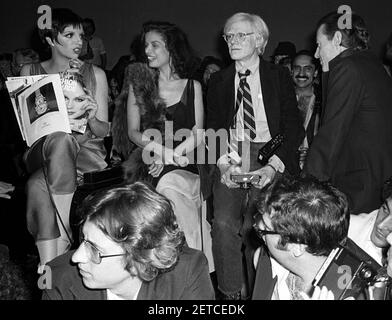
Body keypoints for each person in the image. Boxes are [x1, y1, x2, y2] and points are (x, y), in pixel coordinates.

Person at [205, 12, 303, 299]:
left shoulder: (278, 76)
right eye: (229, 36)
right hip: (233, 151)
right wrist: (224, 164)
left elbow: (293, 128)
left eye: (240, 35)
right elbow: (214, 128)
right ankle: (231, 294)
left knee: (259, 226)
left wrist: (272, 167)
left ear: (259, 40)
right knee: (223, 224)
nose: (232, 41)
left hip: (271, 150)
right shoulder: (220, 81)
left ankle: (264, 291)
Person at [20, 8, 109, 269]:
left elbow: (104, 131)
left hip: (85, 155)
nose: (79, 41)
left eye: (80, 35)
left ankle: (50, 265)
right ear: (50, 39)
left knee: (38, 185)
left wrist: (92, 116)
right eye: (69, 35)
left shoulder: (96, 74)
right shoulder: (30, 70)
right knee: (59, 139)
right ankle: (66, 231)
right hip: (42, 151)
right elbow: (26, 131)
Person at [125, 21, 213, 271]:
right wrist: (162, 152)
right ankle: (182, 265)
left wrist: (172, 156)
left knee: (169, 184)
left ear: (172, 48)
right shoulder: (140, 86)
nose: (148, 51)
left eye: (155, 45)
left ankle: (192, 265)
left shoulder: (192, 86)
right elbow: (133, 133)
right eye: (146, 46)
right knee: (162, 187)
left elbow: (198, 133)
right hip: (149, 156)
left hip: (187, 159)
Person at [42, 182, 215, 300]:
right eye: (84, 239)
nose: (76, 257)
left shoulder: (187, 272)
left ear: (140, 259)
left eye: (94, 250)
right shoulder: (58, 279)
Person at [303, 12, 392, 214]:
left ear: (336, 39)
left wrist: (304, 187)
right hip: (377, 180)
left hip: (357, 183)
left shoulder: (347, 67)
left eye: (319, 45)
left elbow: (332, 133)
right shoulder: (370, 63)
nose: (316, 54)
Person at [291, 50, 321, 170]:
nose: (301, 73)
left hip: (316, 164)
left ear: (315, 72)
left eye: (307, 68)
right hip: (286, 164)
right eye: (297, 68)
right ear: (291, 71)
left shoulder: (326, 99)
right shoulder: (280, 98)